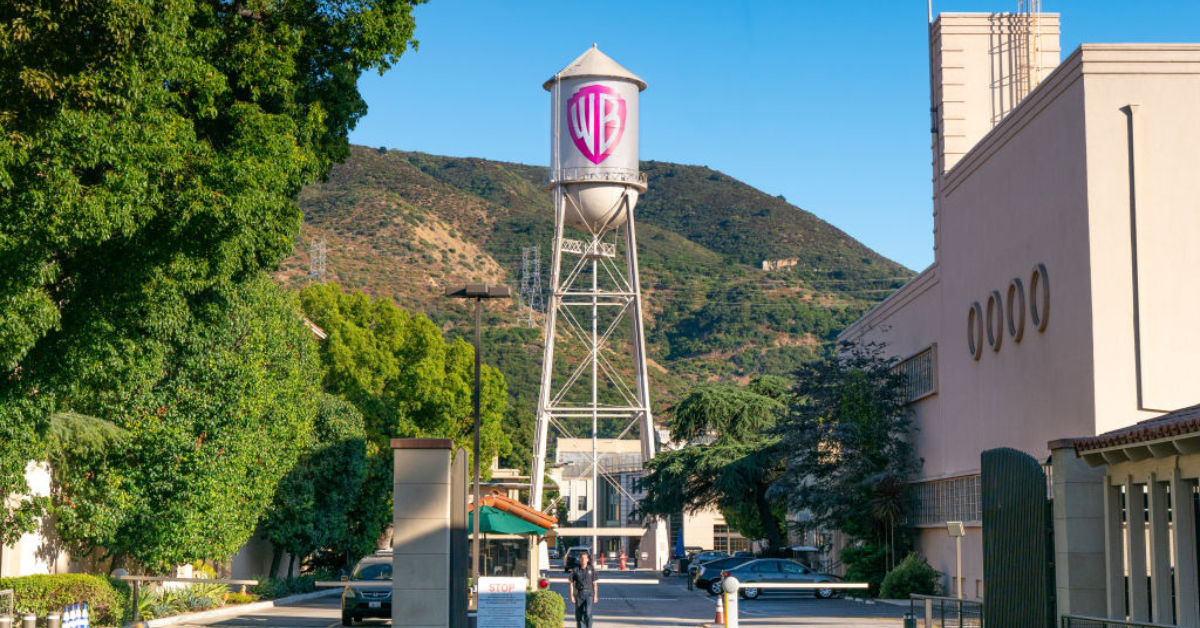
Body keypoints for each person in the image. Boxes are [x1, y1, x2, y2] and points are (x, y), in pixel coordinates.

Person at [569, 551, 599, 628]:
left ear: (588, 559)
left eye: (585, 558)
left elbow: (594, 584)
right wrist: (571, 596)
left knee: (588, 613)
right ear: (579, 559)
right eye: (581, 558)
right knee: (579, 614)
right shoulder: (575, 570)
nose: (583, 560)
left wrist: (595, 596)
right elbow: (571, 584)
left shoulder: (591, 569)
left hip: (589, 594)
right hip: (579, 594)